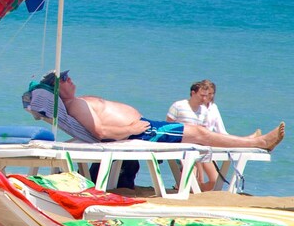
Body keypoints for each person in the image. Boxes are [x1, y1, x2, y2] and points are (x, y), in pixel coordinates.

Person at [40, 71, 284, 151]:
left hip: (141, 127)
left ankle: (249, 140)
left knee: (197, 132)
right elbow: (101, 131)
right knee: (198, 133)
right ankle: (258, 142)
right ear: (57, 87)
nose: (70, 79)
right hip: (139, 132)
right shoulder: (74, 105)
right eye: (64, 78)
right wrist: (130, 129)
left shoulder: (76, 102)